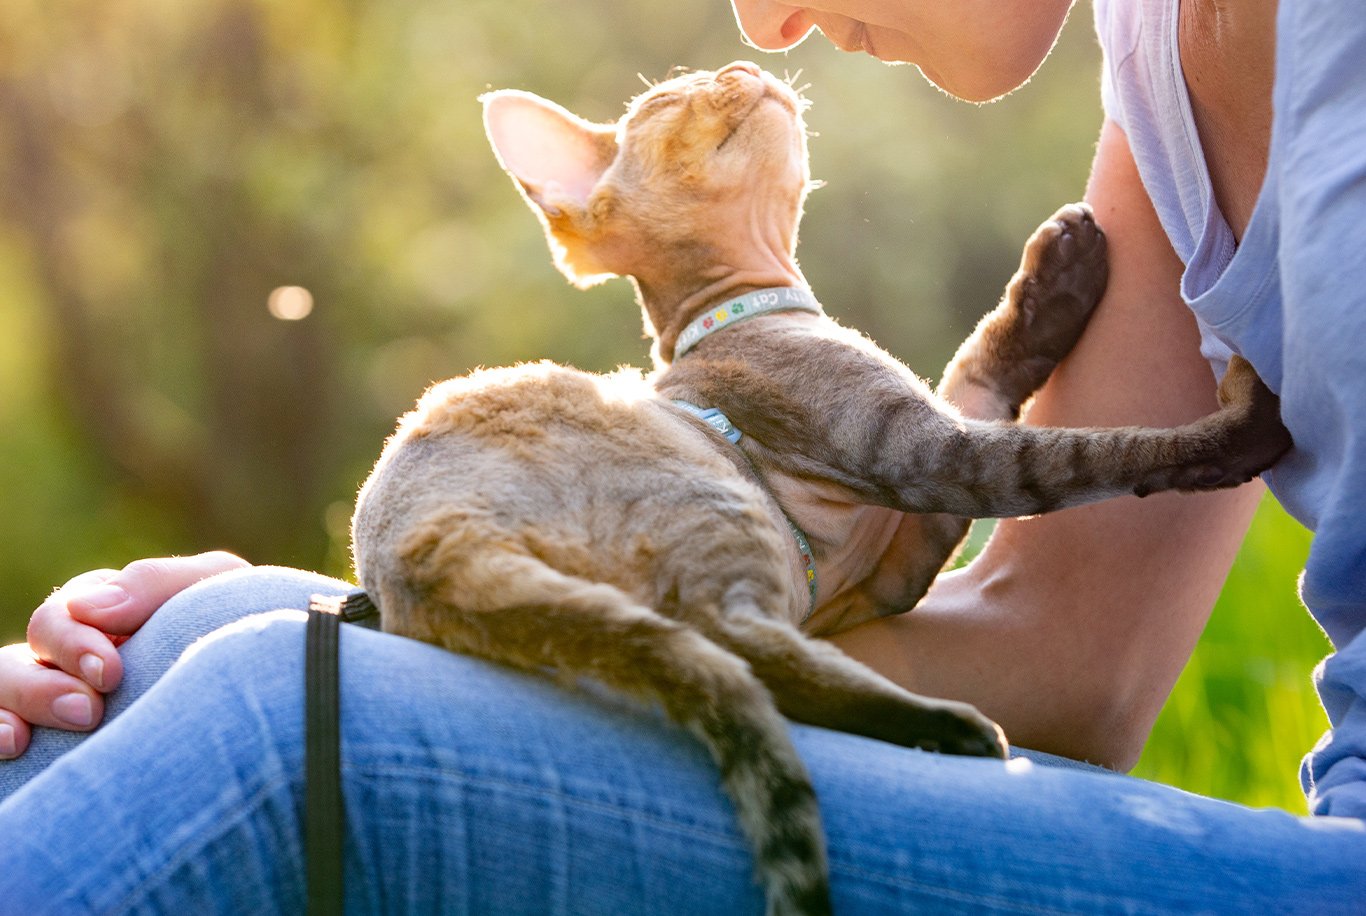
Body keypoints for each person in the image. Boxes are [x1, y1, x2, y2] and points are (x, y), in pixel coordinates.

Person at [2, 0, 1364, 909]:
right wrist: (424, 619)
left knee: (274, 724)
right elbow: (1058, 664)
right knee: (218, 642)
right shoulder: (1160, 71)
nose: (762, 25)